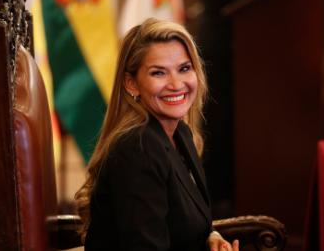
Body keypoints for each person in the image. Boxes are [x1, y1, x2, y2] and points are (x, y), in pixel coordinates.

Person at [75, 18, 239, 251]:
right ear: (131, 84)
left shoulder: (180, 134)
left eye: (184, 68)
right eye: (158, 73)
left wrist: (209, 236)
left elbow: (178, 222)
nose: (176, 84)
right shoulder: (138, 148)